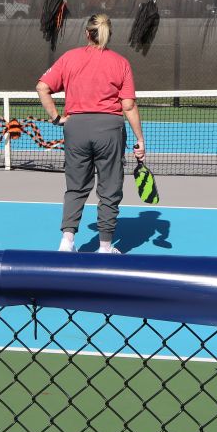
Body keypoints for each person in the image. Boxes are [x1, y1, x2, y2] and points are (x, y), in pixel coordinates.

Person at [37, 14, 146, 254]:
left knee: (75, 187)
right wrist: (140, 139)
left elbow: (42, 87)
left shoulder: (69, 58)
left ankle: (67, 243)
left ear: (87, 33)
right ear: (109, 35)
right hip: (110, 131)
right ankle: (105, 248)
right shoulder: (121, 62)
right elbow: (128, 105)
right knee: (109, 189)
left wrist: (56, 117)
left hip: (76, 129)